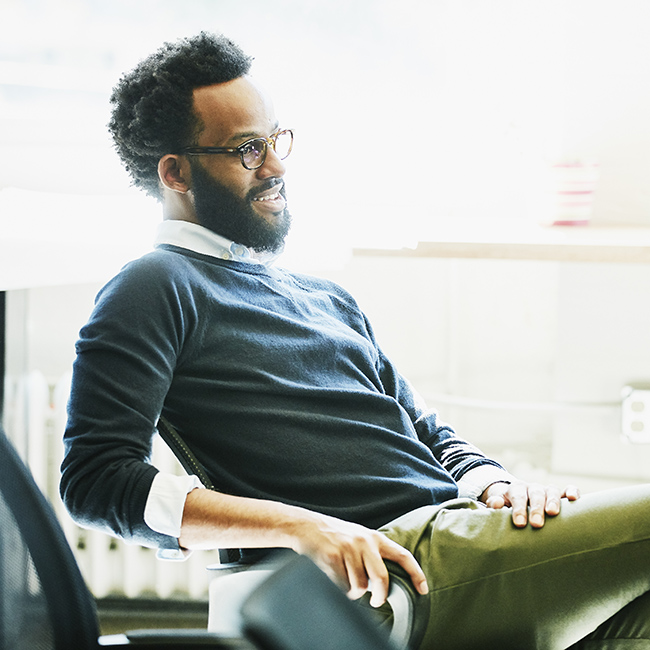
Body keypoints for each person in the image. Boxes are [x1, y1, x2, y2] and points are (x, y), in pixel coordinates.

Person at [60, 33, 650, 649]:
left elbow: (427, 431)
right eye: (247, 150)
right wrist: (302, 529)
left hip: (465, 530)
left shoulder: (324, 296)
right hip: (394, 568)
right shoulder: (154, 285)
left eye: (276, 141)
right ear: (176, 172)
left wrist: (494, 485)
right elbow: (96, 481)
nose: (277, 166)